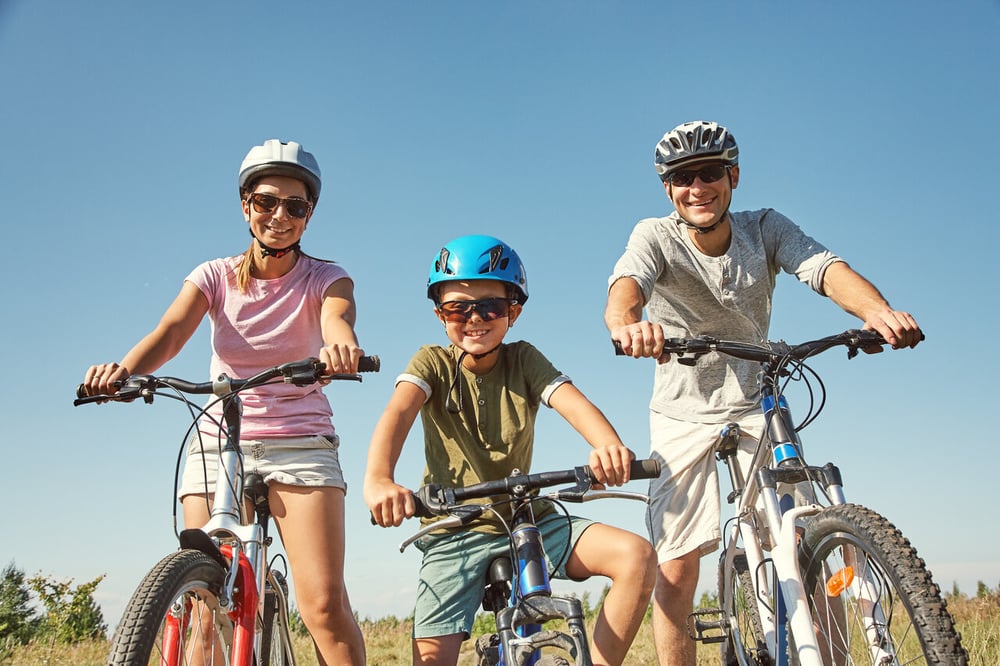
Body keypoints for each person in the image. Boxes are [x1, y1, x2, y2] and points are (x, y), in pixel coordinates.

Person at [604, 120, 923, 665]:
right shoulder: (654, 235)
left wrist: (877, 312)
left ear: (733, 177)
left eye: (709, 174)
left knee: (803, 545)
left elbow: (823, 268)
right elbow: (627, 285)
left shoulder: (766, 227)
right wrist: (626, 324)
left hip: (757, 395)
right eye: (682, 178)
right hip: (684, 412)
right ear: (668, 188)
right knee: (678, 564)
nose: (696, 188)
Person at [82, 139, 367, 665]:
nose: (279, 215)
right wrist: (123, 371)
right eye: (266, 201)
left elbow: (336, 317)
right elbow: (169, 332)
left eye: (294, 206)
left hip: (299, 443)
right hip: (219, 442)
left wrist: (339, 344)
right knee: (202, 603)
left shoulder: (326, 277)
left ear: (309, 215)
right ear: (246, 206)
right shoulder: (213, 275)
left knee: (323, 605)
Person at [364, 234, 657, 666]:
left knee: (637, 556)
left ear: (513, 312)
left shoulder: (524, 360)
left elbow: (572, 403)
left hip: (528, 519)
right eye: (457, 308)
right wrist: (379, 478)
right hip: (455, 528)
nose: (475, 318)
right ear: (439, 315)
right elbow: (398, 412)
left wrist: (608, 446)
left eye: (491, 307)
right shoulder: (432, 362)